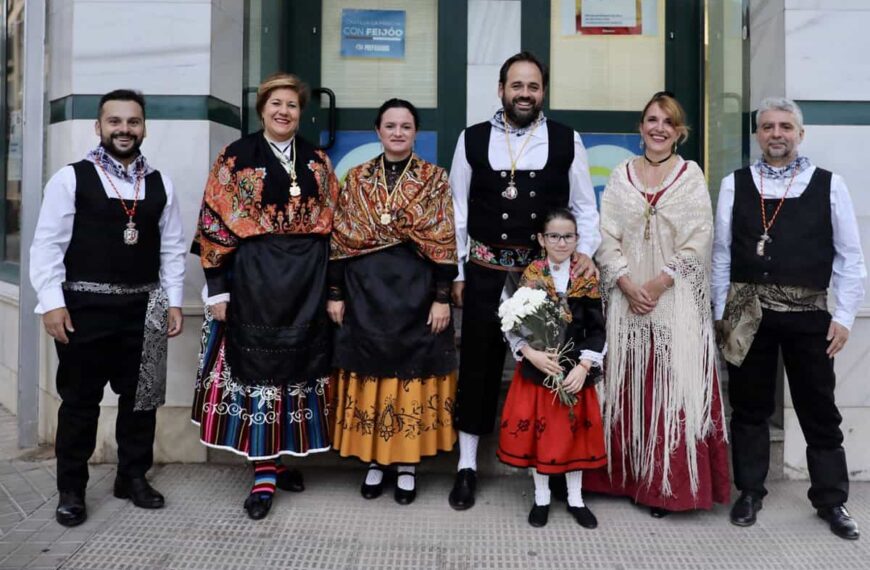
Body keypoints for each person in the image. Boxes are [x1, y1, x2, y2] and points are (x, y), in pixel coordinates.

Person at [448, 51, 600, 510]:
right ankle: (467, 466)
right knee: (477, 365)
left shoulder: (566, 139)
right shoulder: (471, 139)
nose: (525, 94)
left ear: (543, 92)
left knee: (549, 368)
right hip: (484, 271)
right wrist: (456, 271)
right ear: (501, 89)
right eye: (517, 85)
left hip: (542, 278)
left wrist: (584, 257)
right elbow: (457, 210)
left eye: (533, 86)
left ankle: (554, 467)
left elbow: (585, 206)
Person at [30, 89, 186, 527]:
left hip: (146, 307)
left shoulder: (161, 183)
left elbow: (172, 250)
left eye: (132, 121)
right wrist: (52, 304)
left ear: (144, 127)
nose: (124, 129)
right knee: (80, 403)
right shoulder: (70, 178)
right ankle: (72, 490)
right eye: (114, 121)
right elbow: (47, 247)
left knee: (141, 403)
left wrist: (173, 302)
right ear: (98, 128)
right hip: (84, 306)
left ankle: (132, 477)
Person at [713, 97, 866, 540]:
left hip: (808, 313)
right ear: (757, 135)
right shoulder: (734, 184)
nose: (776, 133)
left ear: (800, 134)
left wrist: (843, 317)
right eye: (767, 127)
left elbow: (851, 258)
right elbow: (722, 255)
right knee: (748, 408)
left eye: (785, 126)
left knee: (819, 409)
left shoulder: (829, 184)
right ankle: (750, 491)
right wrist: (722, 312)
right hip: (746, 313)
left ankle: (831, 501)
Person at [191, 72, 339, 520]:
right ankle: (263, 471)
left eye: (292, 105)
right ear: (261, 108)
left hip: (306, 281)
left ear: (302, 111)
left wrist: (332, 289)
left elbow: (335, 228)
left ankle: (279, 457)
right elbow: (214, 221)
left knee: (297, 373)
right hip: (253, 278)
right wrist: (217, 288)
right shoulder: (235, 157)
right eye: (276, 103)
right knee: (258, 373)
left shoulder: (317, 159)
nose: (283, 111)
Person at [586, 92, 730, 516]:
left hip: (674, 301)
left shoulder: (689, 176)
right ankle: (624, 479)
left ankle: (667, 488)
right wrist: (628, 284)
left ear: (680, 131)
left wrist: (660, 282)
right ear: (640, 127)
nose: (659, 128)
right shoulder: (620, 175)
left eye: (668, 121)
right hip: (626, 298)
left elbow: (699, 238)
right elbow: (604, 236)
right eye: (652, 119)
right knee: (626, 387)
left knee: (672, 392)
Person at [327, 99, 458, 505]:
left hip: (418, 292)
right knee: (372, 374)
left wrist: (441, 298)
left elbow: (444, 240)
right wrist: (335, 293)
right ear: (378, 131)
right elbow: (339, 239)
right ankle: (374, 462)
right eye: (390, 125)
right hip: (365, 291)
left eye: (406, 126)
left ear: (416, 132)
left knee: (410, 377)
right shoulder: (356, 178)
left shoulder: (435, 179)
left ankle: (406, 464)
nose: (398, 132)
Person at [497, 208, 606, 529]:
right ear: (542, 239)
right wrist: (530, 353)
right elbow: (510, 321)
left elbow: (599, 327)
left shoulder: (587, 275)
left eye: (568, 236)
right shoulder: (528, 275)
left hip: (574, 373)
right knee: (540, 437)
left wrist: (585, 366)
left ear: (577, 239)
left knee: (574, 436)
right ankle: (541, 497)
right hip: (538, 371)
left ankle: (575, 498)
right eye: (554, 236)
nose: (561, 242)